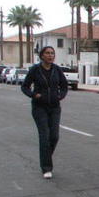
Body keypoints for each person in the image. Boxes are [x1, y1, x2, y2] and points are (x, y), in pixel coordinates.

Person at [21, 46, 68, 179]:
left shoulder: (57, 69)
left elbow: (64, 86)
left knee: (54, 137)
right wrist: (33, 95)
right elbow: (24, 87)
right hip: (39, 107)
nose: (50, 55)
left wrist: (60, 96)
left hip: (54, 107)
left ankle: (45, 157)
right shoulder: (35, 70)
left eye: (52, 53)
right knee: (44, 136)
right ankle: (46, 168)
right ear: (42, 55)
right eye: (47, 53)